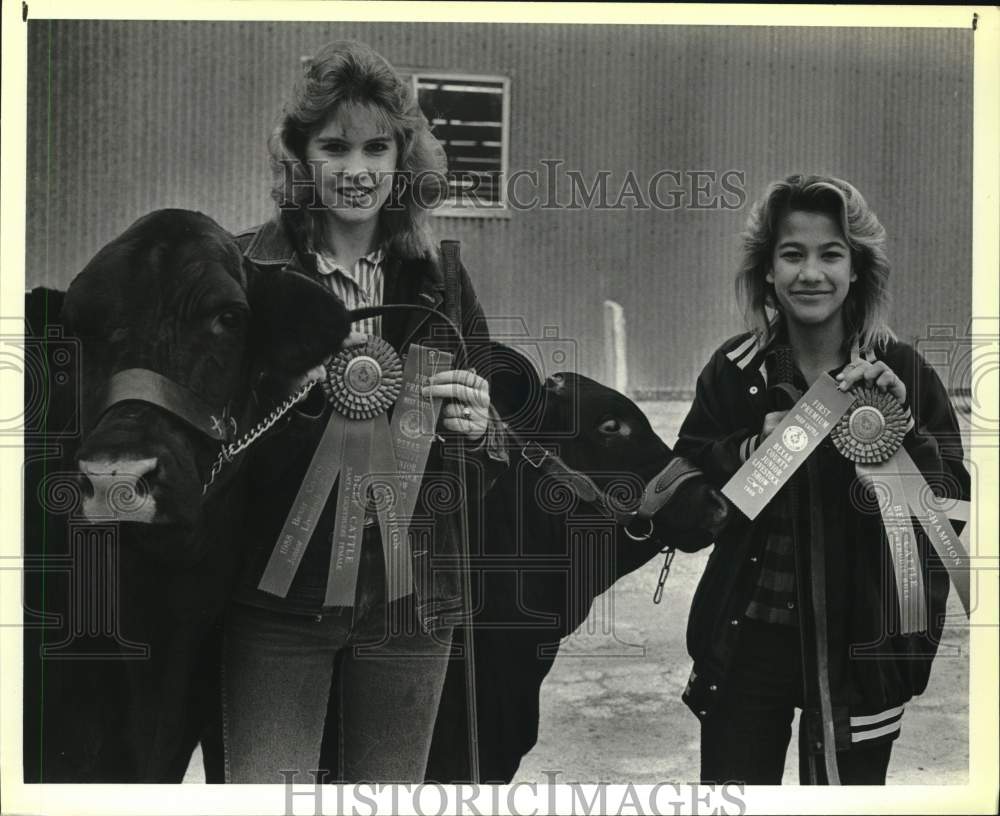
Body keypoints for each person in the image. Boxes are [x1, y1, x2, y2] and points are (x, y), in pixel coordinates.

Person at [221, 40, 508, 783]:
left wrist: (482, 426)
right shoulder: (248, 269)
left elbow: (491, 429)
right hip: (277, 597)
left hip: (413, 600)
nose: (357, 171)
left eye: (377, 147)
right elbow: (211, 439)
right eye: (334, 147)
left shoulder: (441, 276)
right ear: (298, 156)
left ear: (402, 159)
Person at [674, 174, 969, 784]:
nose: (812, 273)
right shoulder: (735, 372)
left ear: (857, 268)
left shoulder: (901, 371)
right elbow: (683, 496)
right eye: (793, 254)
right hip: (746, 641)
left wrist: (904, 435)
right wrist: (756, 449)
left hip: (859, 647)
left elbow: (949, 515)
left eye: (831, 254)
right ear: (768, 271)